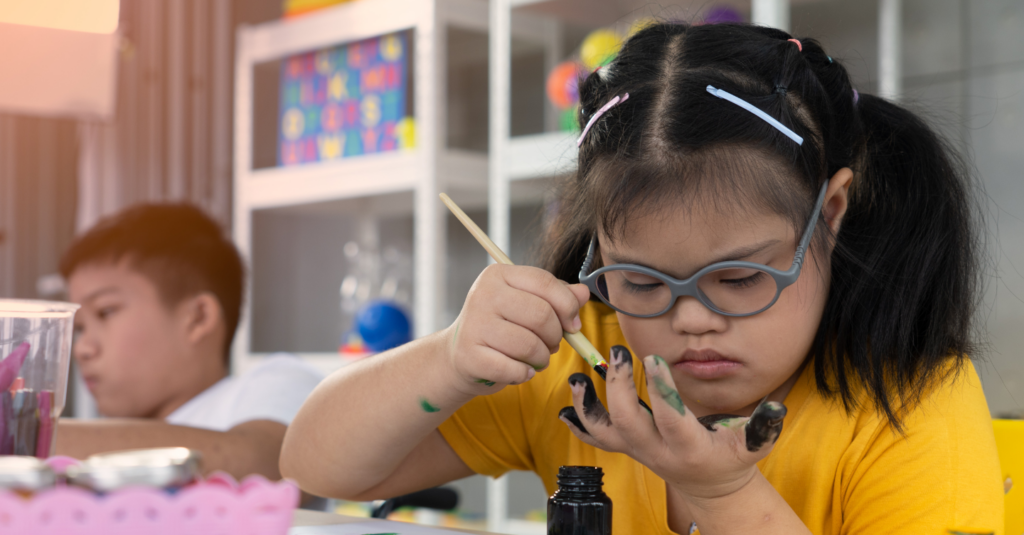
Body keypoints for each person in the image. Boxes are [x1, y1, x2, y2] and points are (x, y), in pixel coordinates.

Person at [280, 22, 1003, 534]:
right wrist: (448, 357)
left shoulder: (909, 401)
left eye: (740, 277)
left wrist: (720, 489)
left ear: (832, 212)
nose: (692, 319)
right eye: (643, 281)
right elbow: (317, 465)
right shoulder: (588, 365)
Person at [56, 204, 324, 483]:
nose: (82, 349)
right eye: (80, 328)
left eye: (105, 312)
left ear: (198, 317)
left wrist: (32, 436)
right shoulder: (110, 437)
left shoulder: (278, 380)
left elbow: (275, 464)